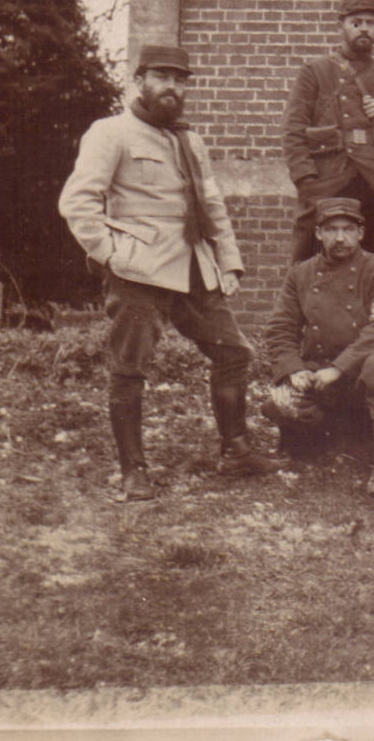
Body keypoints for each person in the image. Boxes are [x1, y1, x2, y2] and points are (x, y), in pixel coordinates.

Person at [59, 44, 285, 502]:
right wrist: (110, 254)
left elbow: (212, 203)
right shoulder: (111, 133)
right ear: (139, 80)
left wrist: (229, 261)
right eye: (163, 77)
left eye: (181, 80)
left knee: (233, 352)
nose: (173, 87)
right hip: (138, 272)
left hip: (194, 269)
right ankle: (134, 471)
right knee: (129, 368)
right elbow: (77, 202)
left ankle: (236, 451)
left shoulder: (189, 139)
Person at [261, 198, 374, 497]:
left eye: (348, 229)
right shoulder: (300, 274)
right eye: (331, 230)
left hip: (364, 376)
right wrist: (294, 371)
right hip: (321, 376)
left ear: (360, 232)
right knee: (277, 404)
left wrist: (339, 367)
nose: (340, 237)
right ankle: (323, 442)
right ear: (319, 234)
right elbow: (280, 329)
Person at [282, 0, 374, 272]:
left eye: (371, 23)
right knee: (310, 264)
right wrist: (306, 181)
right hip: (328, 181)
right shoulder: (315, 73)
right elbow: (293, 130)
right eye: (356, 23)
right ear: (341, 27)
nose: (364, 29)